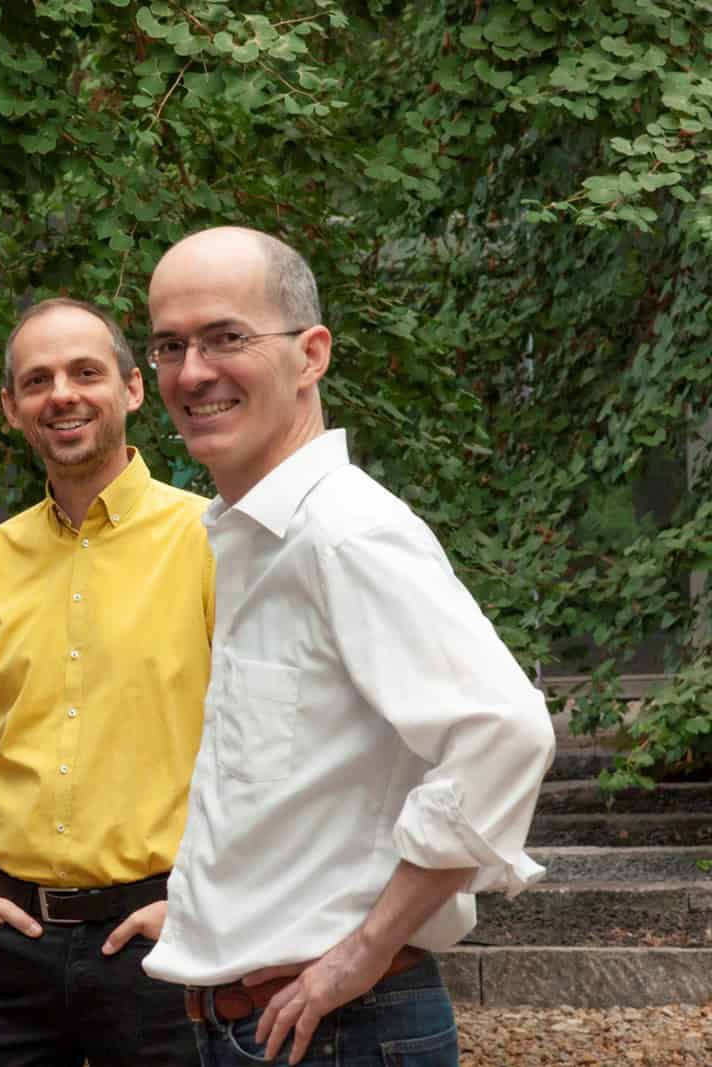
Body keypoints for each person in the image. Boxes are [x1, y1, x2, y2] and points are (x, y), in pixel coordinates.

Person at [140, 226, 555, 1066]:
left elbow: (505, 732)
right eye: (170, 345)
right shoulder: (251, 535)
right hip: (271, 1021)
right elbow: (302, 777)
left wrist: (361, 951)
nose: (192, 372)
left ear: (312, 354)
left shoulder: (342, 532)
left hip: (338, 1030)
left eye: (227, 337)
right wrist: (206, 913)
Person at [0, 297, 213, 1065]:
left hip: (163, 938)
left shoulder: (210, 541)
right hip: (8, 947)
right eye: (38, 379)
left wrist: (199, 901)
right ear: (12, 409)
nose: (62, 393)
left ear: (131, 389)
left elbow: (260, 746)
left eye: (85, 372)